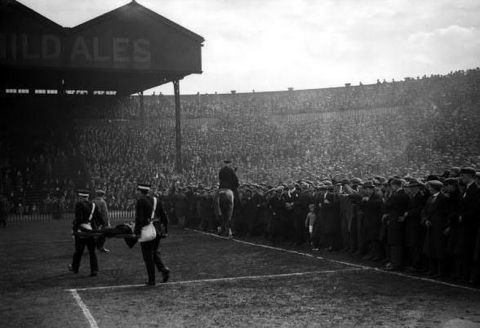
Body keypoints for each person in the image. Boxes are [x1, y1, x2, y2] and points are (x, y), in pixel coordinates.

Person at [134, 183, 170, 286]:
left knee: (148, 256)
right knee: (154, 252)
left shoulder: (141, 201)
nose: (136, 192)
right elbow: (164, 216)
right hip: (157, 230)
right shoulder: (156, 200)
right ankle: (163, 269)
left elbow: (139, 219)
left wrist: (137, 232)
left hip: (147, 230)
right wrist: (165, 230)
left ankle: (152, 280)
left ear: (141, 191)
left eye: (137, 190)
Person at [69, 190, 101, 277]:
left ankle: (75, 268)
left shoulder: (79, 204)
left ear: (80, 197)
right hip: (90, 229)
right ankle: (94, 270)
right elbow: (99, 218)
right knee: (92, 251)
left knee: (78, 251)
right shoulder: (94, 205)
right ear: (87, 196)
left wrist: (74, 229)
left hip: (81, 230)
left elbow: (78, 219)